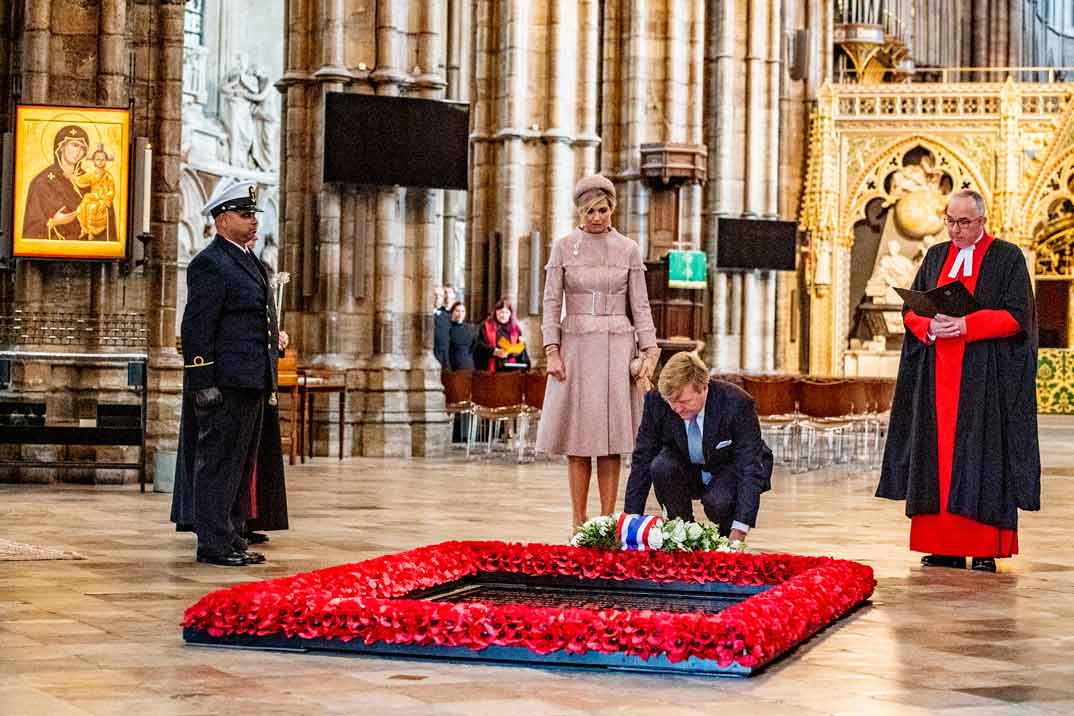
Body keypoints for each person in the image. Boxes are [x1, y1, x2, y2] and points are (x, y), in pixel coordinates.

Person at [877, 189, 1040, 573]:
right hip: (936, 380)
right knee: (936, 460)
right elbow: (911, 309)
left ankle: (984, 547)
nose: (955, 229)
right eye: (950, 220)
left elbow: (1018, 315)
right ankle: (942, 545)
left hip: (985, 382)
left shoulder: (1006, 257)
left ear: (982, 221)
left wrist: (968, 324)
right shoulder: (935, 256)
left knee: (983, 459)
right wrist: (928, 326)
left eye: (963, 222)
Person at [170, 180, 290, 566]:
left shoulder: (247, 259)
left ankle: (234, 535)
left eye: (254, 214)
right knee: (219, 464)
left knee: (241, 465)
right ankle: (213, 543)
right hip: (225, 383)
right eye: (245, 214)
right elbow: (197, 328)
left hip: (252, 380)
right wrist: (201, 382)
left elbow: (255, 319)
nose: (254, 221)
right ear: (222, 221)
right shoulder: (211, 262)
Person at [536, 174, 660, 532]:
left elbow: (640, 305)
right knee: (578, 439)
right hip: (575, 345)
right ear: (580, 211)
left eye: (603, 210)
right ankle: (578, 521)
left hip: (617, 348)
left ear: (612, 209)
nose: (597, 217)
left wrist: (649, 351)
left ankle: (606, 521)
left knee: (611, 440)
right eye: (590, 211)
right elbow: (550, 303)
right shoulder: (563, 247)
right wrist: (552, 350)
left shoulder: (628, 249)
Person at [624, 352, 772, 542]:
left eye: (684, 401)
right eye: (671, 402)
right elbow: (642, 459)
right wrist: (630, 519)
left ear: (703, 387)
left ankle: (727, 535)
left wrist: (740, 529)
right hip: (686, 466)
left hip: (728, 467)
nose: (677, 409)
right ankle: (681, 532)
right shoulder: (657, 402)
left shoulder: (736, 403)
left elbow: (749, 466)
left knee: (718, 501)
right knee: (660, 466)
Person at [21, 125, 91, 241]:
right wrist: (53, 222)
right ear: (61, 146)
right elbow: (30, 230)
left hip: (85, 250)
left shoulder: (89, 180)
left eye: (82, 148)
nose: (78, 151)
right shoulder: (42, 182)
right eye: (74, 145)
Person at [72, 144, 117, 240]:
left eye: (102, 159)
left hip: (102, 199)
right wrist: (74, 178)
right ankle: (84, 229)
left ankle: (92, 232)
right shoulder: (92, 174)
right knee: (82, 208)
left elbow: (111, 191)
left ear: (106, 161)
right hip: (93, 197)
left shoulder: (108, 176)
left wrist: (104, 200)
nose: (100, 162)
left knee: (92, 208)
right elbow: (82, 180)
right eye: (98, 159)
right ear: (93, 161)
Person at [475, 298, 529, 372]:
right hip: (490, 367)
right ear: (496, 312)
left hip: (511, 368)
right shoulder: (486, 326)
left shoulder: (515, 329)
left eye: (506, 312)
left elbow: (521, 349)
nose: (503, 315)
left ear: (510, 314)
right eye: (501, 312)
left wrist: (511, 352)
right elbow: (478, 346)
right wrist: (494, 351)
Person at [447, 302, 475, 371]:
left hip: (468, 365)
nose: (460, 314)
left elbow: (473, 347)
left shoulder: (470, 328)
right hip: (452, 366)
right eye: (457, 311)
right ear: (452, 312)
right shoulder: (447, 327)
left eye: (463, 311)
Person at [432, 286, 451, 369]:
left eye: (440, 296)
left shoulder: (447, 316)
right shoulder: (423, 315)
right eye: (435, 295)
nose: (437, 298)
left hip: (443, 360)